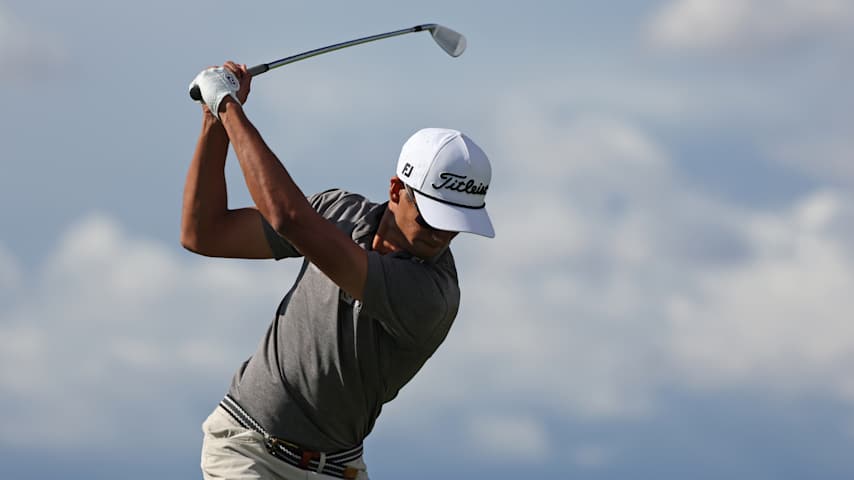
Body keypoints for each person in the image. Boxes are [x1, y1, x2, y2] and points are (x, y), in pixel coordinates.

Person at [183, 62, 495, 480]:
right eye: (431, 218)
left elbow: (288, 218)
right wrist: (212, 120)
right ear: (396, 190)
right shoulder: (338, 211)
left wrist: (227, 104)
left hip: (338, 470)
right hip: (246, 451)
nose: (441, 236)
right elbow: (204, 232)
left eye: (454, 224)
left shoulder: (431, 294)